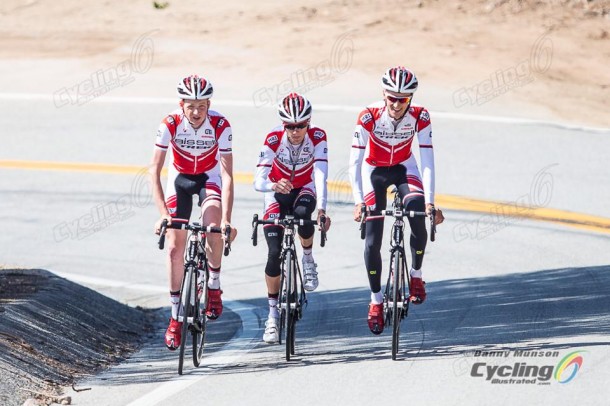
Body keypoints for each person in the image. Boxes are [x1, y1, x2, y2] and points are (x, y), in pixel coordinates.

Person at [349, 66, 445, 335]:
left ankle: (415, 275)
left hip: (405, 167)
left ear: (410, 99)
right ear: (383, 94)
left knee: (417, 216)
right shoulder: (368, 116)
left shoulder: (420, 116)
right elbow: (354, 162)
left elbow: (427, 159)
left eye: (402, 99)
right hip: (374, 172)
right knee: (373, 238)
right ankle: (376, 301)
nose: (396, 104)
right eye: (391, 97)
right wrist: (359, 201)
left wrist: (431, 202)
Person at [151, 74, 237, 350]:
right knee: (175, 248)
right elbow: (154, 171)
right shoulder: (170, 124)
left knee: (212, 226)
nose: (197, 112)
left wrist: (226, 220)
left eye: (202, 105)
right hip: (181, 181)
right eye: (191, 106)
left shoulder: (221, 125)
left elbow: (227, 176)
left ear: (209, 103)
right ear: (182, 104)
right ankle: (175, 316)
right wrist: (163, 213)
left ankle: (213, 283)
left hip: (209, 178)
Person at [254, 92, 331, 344]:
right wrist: (273, 186)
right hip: (276, 192)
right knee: (274, 251)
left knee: (302, 215)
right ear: (283, 124)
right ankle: (273, 316)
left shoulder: (318, 137)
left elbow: (320, 174)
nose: (296, 131)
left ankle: (307, 259)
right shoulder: (274, 139)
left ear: (309, 122)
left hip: (304, 187)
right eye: (290, 126)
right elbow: (258, 181)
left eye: (301, 125)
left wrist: (322, 208)